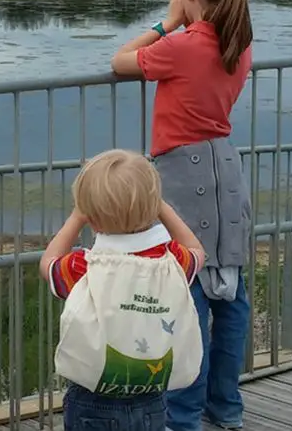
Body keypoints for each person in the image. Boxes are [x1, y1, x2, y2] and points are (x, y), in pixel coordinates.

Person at [110, 0, 254, 431]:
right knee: (230, 294)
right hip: (227, 171)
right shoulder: (242, 43)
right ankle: (226, 408)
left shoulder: (185, 44)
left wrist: (168, 20)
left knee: (185, 295)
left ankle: (184, 416)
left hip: (182, 177)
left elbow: (121, 61)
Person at [40, 149, 206, 431]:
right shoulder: (172, 262)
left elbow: (48, 264)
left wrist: (76, 217)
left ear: (91, 217)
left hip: (91, 399)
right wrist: (163, 208)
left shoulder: (85, 267)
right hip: (151, 399)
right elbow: (197, 251)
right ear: (153, 207)